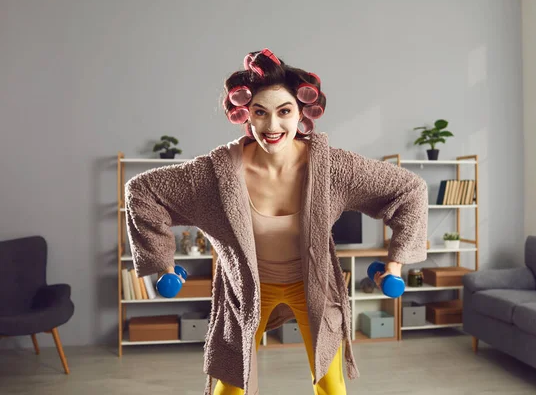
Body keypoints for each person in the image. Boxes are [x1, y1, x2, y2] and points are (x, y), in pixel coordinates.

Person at [124, 48, 429, 395]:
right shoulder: (218, 173)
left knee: (332, 386)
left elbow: (410, 190)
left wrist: (396, 263)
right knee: (230, 386)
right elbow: (143, 191)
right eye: (260, 112)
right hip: (248, 289)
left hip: (313, 285)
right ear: (246, 116)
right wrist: (163, 262)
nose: (272, 126)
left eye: (284, 112)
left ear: (301, 113)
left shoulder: (333, 167)